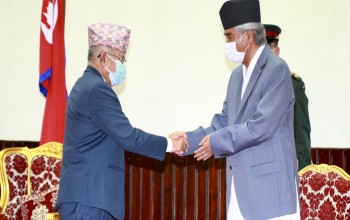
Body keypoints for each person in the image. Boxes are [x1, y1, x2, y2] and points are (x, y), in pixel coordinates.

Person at [171, 1, 300, 219]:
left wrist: (216, 142)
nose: (227, 44)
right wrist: (188, 140)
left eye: (229, 37)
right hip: (239, 194)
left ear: (248, 36)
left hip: (270, 196)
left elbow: (261, 128)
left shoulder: (277, 70)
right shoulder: (236, 76)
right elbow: (223, 122)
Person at [56, 23, 187, 220]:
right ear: (102, 58)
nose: (122, 66)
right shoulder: (96, 89)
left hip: (88, 199)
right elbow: (128, 137)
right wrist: (170, 144)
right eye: (120, 59)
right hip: (90, 200)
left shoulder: (86, 85)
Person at [264, 24, 311, 171]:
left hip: (282, 170)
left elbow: (301, 135)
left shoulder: (292, 85)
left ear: (277, 52)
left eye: (269, 52)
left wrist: (303, 173)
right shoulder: (245, 85)